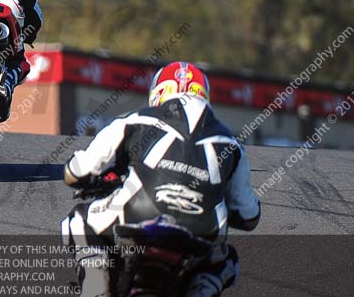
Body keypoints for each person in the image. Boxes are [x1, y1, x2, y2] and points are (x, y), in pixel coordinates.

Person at [61, 61, 261, 296]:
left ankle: (95, 288)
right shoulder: (232, 144)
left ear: (158, 93)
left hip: (140, 213)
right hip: (203, 231)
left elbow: (76, 172)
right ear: (204, 95)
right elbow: (249, 216)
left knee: (78, 221)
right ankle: (202, 289)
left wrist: (90, 177)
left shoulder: (135, 120)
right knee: (226, 262)